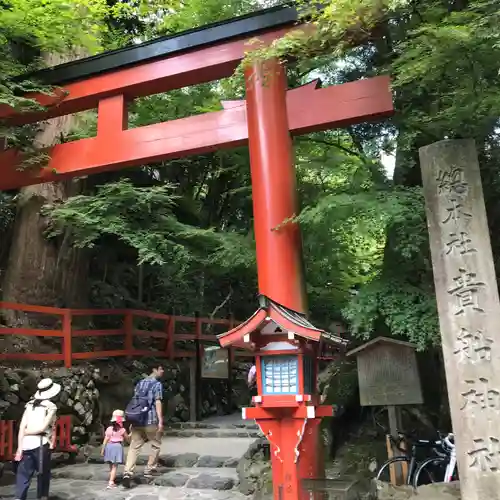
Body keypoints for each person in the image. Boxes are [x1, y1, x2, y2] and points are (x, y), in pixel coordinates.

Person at [14, 378, 61, 500]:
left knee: (23, 475)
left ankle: (19, 497)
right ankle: (42, 497)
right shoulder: (51, 407)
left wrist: (20, 447)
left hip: (26, 444)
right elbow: (43, 428)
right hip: (41, 443)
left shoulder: (29, 405)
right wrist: (27, 432)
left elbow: (21, 427)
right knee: (43, 474)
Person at [122, 364, 164, 488]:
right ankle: (149, 469)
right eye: (161, 369)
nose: (163, 371)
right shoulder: (157, 384)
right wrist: (160, 420)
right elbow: (157, 402)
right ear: (154, 369)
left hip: (137, 419)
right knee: (156, 444)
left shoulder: (139, 383)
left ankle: (127, 472)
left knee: (134, 446)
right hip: (150, 419)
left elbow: (135, 400)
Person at [101, 409, 129, 489]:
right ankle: (111, 482)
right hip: (117, 447)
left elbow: (105, 440)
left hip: (109, 446)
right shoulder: (122, 430)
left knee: (111, 465)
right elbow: (128, 439)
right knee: (114, 466)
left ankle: (111, 478)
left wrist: (103, 449)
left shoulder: (109, 428)